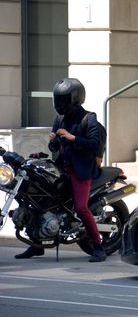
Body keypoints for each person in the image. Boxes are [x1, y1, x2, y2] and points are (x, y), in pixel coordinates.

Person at [14, 78, 106, 262]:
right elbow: (54, 147)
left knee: (81, 208)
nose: (60, 104)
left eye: (64, 99)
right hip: (61, 167)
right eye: (58, 99)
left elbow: (94, 144)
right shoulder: (60, 118)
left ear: (76, 98)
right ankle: (36, 245)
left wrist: (73, 138)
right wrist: (54, 141)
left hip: (81, 170)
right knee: (40, 199)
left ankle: (98, 246)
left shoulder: (89, 118)